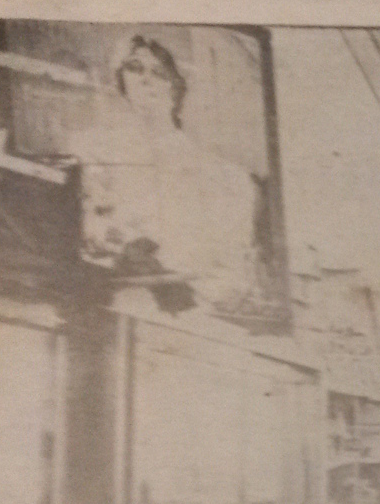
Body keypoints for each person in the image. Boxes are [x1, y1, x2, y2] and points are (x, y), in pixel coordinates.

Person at [70, 34, 261, 313]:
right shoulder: (98, 149)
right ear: (122, 80)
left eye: (159, 73)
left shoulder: (218, 174)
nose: (146, 79)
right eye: (134, 68)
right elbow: (90, 227)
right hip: (114, 295)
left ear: (176, 88)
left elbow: (226, 273)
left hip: (184, 306)